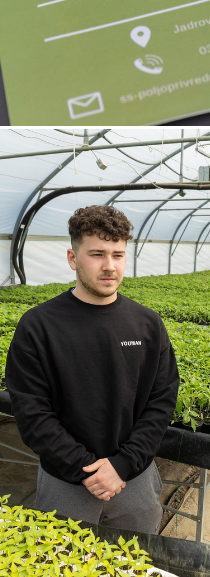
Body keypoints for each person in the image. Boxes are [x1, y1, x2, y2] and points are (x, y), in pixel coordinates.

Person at [5, 205, 178, 532]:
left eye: (118, 254)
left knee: (136, 563)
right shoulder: (39, 326)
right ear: (73, 258)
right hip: (66, 482)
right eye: (97, 254)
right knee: (65, 561)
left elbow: (162, 400)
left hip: (134, 481)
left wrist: (123, 464)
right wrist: (86, 468)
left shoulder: (147, 324)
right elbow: (31, 411)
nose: (110, 266)